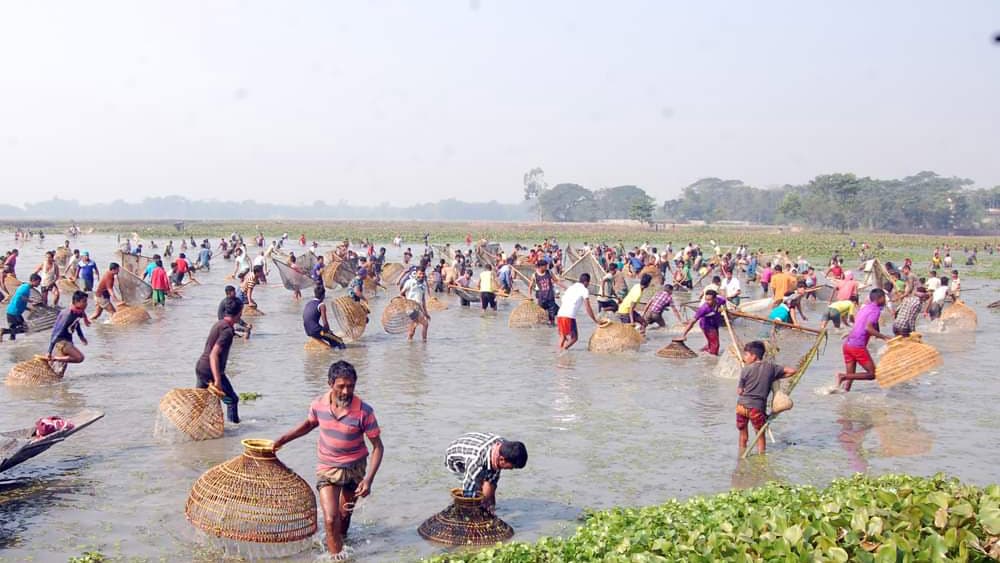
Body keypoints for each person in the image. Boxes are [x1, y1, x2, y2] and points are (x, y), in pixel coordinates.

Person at [273, 361, 384, 559]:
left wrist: (368, 480)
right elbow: (309, 424)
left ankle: (341, 542)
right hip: (328, 467)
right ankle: (336, 557)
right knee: (331, 519)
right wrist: (283, 439)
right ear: (330, 384)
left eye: (350, 386)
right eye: (341, 386)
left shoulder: (364, 412)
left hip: (355, 468)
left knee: (344, 516)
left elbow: (377, 447)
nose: (346, 391)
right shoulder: (318, 405)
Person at [445, 432, 527, 515]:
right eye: (512, 467)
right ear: (502, 459)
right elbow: (468, 491)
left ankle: (488, 509)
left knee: (490, 485)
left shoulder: (505, 448)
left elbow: (491, 481)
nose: (511, 469)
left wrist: (490, 507)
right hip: (455, 459)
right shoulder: (476, 463)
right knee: (475, 492)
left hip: (482, 450)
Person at [737, 340, 795, 455]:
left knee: (743, 434)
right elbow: (792, 371)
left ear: (753, 356)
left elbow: (739, 391)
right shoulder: (771, 368)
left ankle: (741, 455)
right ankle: (761, 457)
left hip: (741, 406)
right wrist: (775, 377)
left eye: (746, 355)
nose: (744, 358)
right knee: (760, 435)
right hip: (756, 409)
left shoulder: (745, 370)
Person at [196, 297, 243, 423]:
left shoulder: (219, 323)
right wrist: (217, 380)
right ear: (240, 312)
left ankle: (196, 425)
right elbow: (214, 355)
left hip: (201, 367)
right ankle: (234, 429)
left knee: (200, 402)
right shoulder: (227, 331)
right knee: (232, 400)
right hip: (211, 370)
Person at [837, 288, 891, 392]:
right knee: (872, 374)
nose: (885, 300)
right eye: (884, 298)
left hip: (847, 344)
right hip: (857, 345)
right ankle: (842, 377)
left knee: (851, 376)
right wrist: (884, 337)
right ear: (879, 298)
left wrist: (878, 333)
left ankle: (843, 397)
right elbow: (868, 328)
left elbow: (864, 325)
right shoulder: (875, 311)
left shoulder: (865, 308)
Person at [47, 290, 90, 374]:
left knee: (59, 372)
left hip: (68, 341)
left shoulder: (78, 311)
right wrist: (49, 350)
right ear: (76, 302)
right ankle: (54, 358)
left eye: (86, 302)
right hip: (62, 342)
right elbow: (56, 332)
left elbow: (76, 323)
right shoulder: (67, 315)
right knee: (80, 358)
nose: (86, 304)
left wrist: (81, 337)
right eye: (84, 302)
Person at [556, 272, 599, 350]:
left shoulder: (571, 287)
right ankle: (562, 351)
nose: (588, 285)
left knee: (563, 337)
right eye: (588, 283)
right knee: (574, 338)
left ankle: (559, 357)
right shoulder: (584, 290)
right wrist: (595, 319)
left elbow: (563, 299)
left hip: (560, 314)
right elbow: (588, 307)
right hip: (569, 316)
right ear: (586, 282)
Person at [680, 289, 727, 356]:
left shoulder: (719, 300)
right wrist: (684, 334)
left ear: (715, 299)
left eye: (709, 300)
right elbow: (692, 322)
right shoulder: (704, 309)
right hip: (706, 326)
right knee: (716, 344)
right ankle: (712, 359)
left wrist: (724, 309)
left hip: (715, 323)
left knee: (712, 342)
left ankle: (702, 351)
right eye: (706, 299)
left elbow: (724, 301)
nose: (707, 301)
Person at [304, 285, 346, 349]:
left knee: (330, 337)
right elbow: (325, 323)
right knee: (340, 341)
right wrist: (328, 331)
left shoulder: (308, 303)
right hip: (316, 331)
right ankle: (335, 355)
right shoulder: (321, 305)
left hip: (307, 330)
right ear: (323, 295)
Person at [2, 273, 41, 342]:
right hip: (15, 313)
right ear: (33, 280)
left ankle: (11, 347)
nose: (39, 284)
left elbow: (19, 300)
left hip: (11, 311)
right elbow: (21, 297)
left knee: (13, 333)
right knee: (25, 329)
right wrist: (31, 301)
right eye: (38, 282)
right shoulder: (26, 288)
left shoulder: (24, 286)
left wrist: (29, 309)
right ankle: (4, 331)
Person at [400, 268, 430, 341]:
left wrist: (425, 312)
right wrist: (406, 302)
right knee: (425, 324)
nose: (421, 275)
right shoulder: (410, 282)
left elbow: (423, 300)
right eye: (420, 274)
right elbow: (402, 293)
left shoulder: (423, 285)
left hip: (418, 307)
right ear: (416, 274)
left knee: (413, 326)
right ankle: (424, 343)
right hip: (411, 307)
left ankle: (410, 343)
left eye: (423, 274)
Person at [529, 261, 560, 325]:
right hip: (541, 298)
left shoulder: (549, 272)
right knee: (539, 315)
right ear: (540, 267)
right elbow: (530, 286)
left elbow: (557, 281)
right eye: (545, 266)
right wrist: (530, 296)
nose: (546, 267)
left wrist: (566, 288)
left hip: (550, 298)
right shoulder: (534, 275)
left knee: (552, 317)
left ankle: (551, 328)